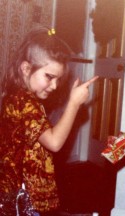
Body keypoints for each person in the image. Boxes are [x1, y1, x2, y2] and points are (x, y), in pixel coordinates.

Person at [0, 27, 98, 215]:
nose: (54, 86)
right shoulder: (25, 103)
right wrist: (74, 104)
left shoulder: (19, 96)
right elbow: (54, 142)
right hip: (25, 198)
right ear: (26, 68)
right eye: (49, 77)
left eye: (58, 79)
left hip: (18, 192)